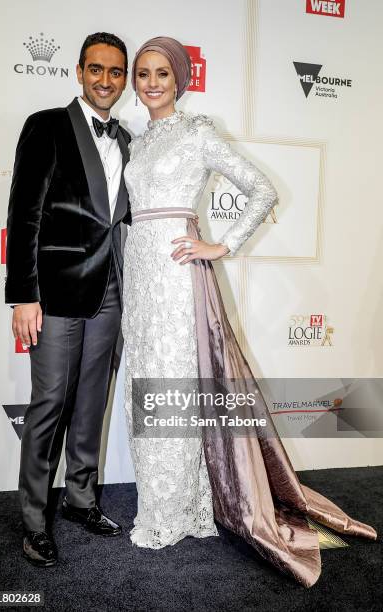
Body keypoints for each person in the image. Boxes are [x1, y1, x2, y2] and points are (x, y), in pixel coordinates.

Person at [121, 36, 377, 587]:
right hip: (140, 277)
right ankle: (167, 502)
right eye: (143, 73)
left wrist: (221, 244)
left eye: (162, 73)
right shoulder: (138, 143)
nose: (151, 83)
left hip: (175, 274)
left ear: (180, 78)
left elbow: (260, 189)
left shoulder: (197, 133)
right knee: (148, 380)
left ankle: (175, 512)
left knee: (177, 381)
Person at [5, 32, 131, 567]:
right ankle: (34, 521)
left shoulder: (127, 139)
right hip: (54, 295)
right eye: (96, 69)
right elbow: (24, 213)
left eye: (116, 72)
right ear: (79, 72)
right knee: (49, 406)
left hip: (110, 293)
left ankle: (80, 499)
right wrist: (23, 298)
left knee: (90, 405)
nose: (106, 80)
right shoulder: (47, 126)